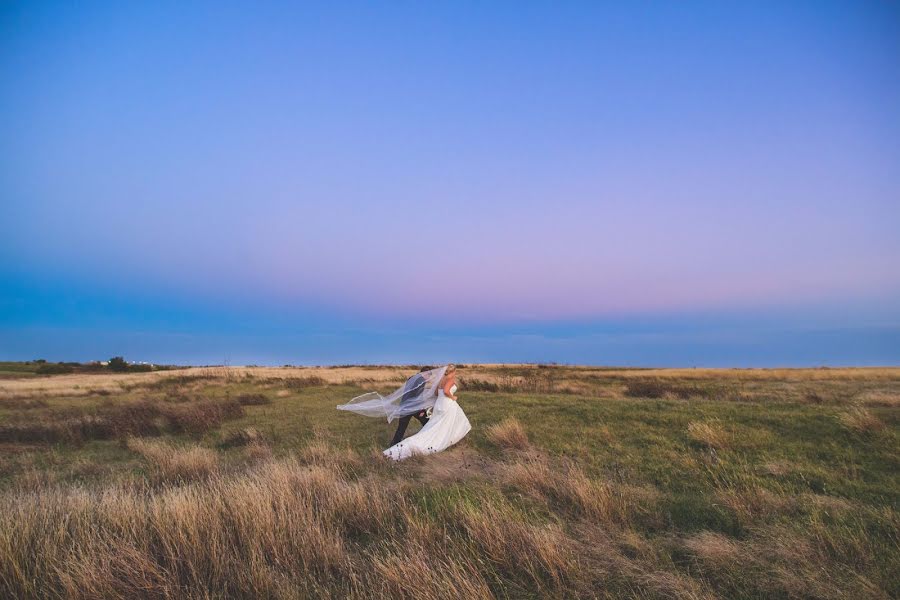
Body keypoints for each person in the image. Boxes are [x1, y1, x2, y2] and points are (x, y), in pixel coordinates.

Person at [383, 364, 471, 461]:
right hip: (414, 407)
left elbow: (428, 393)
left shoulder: (412, 378)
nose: (429, 378)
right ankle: (428, 439)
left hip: (405, 406)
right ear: (426, 374)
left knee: (402, 428)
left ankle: (393, 446)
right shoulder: (421, 380)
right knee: (428, 424)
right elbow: (417, 396)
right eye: (429, 375)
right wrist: (421, 410)